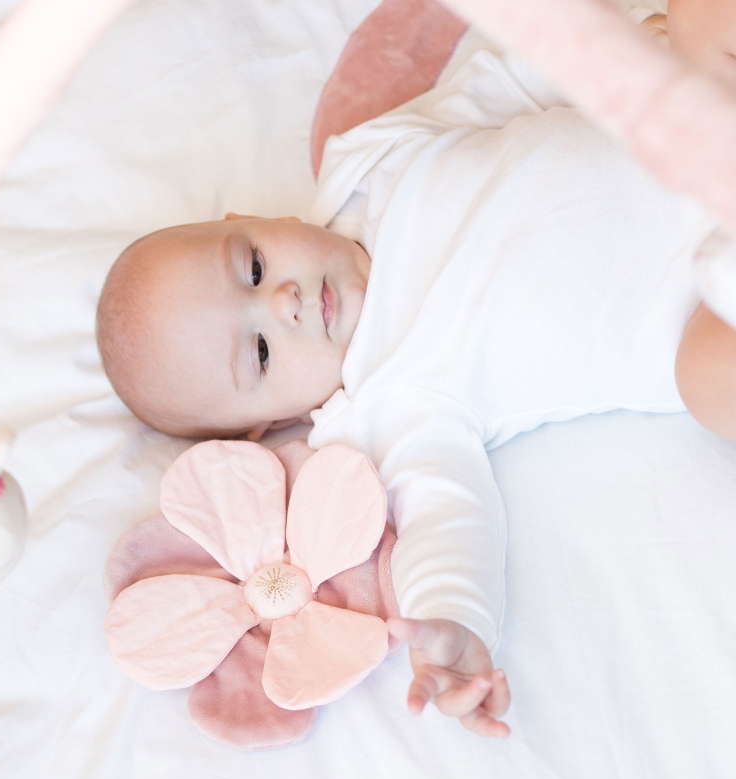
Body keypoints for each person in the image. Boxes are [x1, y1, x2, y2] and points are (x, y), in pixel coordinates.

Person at [96, 0, 736, 738]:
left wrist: (612, 56)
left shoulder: (369, 164)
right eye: (262, 351)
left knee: (695, 20)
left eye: (252, 265)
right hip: (701, 303)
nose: (285, 301)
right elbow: (445, 513)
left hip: (697, 125)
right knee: (709, 384)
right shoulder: (384, 408)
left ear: (254, 217)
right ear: (269, 422)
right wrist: (451, 626)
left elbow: (502, 93)